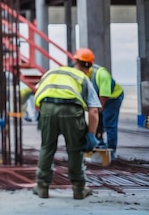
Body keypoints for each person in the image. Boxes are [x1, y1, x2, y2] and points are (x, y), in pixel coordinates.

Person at [32, 65, 100, 200]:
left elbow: (38, 96)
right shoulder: (82, 77)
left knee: (47, 146)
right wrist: (91, 134)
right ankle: (78, 188)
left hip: (47, 107)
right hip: (71, 109)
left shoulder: (49, 73)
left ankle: (42, 186)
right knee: (75, 149)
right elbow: (93, 111)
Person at [73, 48, 125, 159]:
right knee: (95, 120)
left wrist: (97, 110)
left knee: (108, 123)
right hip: (97, 98)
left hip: (112, 98)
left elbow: (104, 96)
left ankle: (112, 151)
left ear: (78, 62)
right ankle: (98, 143)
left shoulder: (101, 74)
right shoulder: (80, 73)